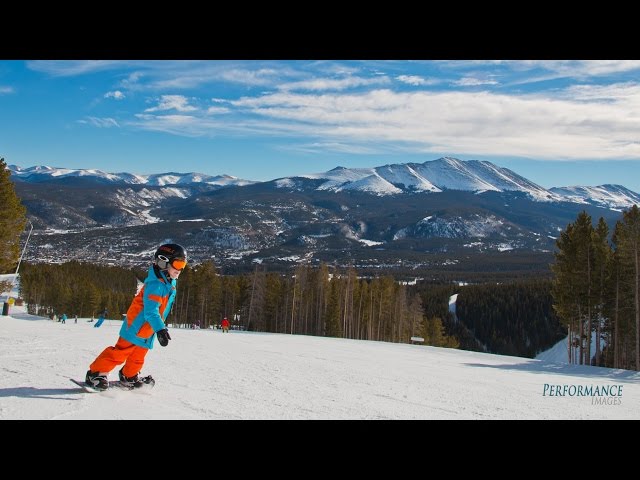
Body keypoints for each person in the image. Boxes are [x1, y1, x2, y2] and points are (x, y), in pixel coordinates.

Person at [84, 243, 187, 390]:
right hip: (136, 325)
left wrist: (156, 328)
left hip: (147, 329)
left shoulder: (168, 283)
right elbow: (150, 311)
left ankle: (129, 375)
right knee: (120, 352)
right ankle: (95, 374)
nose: (180, 269)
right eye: (177, 264)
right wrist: (160, 329)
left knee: (139, 355)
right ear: (163, 262)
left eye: (183, 264)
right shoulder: (156, 285)